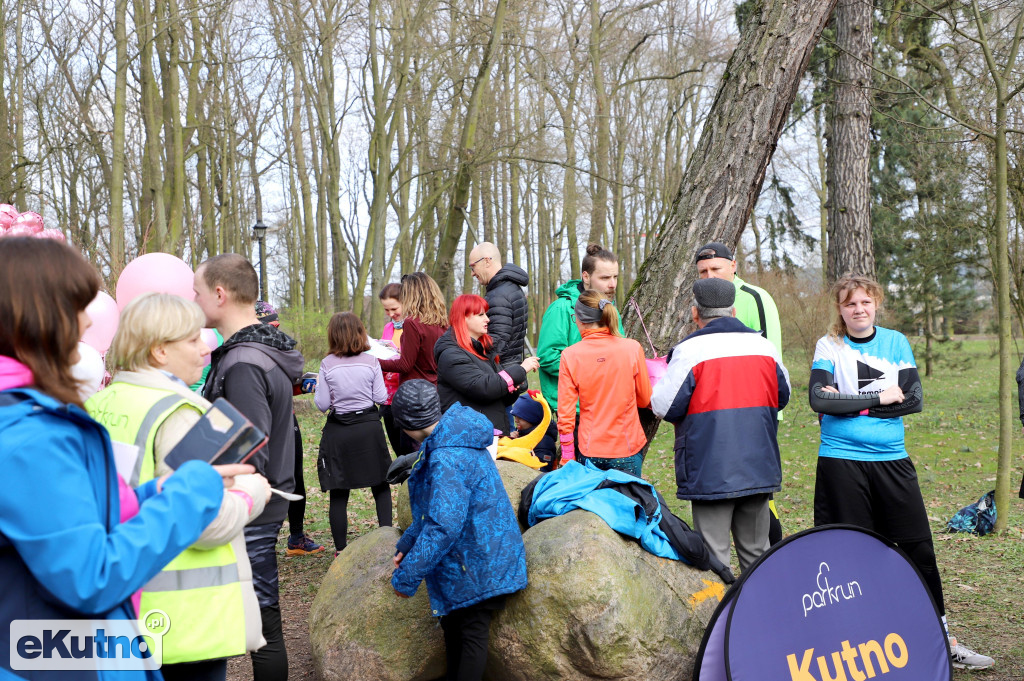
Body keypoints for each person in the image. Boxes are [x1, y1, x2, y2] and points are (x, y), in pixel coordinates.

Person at [0, 237, 240, 681]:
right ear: (36, 315)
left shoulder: (31, 415)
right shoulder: (29, 436)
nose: (88, 319)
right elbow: (90, 577)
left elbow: (65, 522)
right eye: (76, 303)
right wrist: (190, 491)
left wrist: (153, 493)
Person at [808, 274, 993, 671]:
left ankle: (943, 638)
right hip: (841, 462)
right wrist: (875, 397)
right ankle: (855, 646)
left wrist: (844, 402)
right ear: (840, 309)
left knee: (917, 549)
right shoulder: (830, 345)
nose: (858, 310)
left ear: (876, 304)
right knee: (847, 554)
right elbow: (816, 398)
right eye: (850, 304)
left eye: (865, 303)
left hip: (891, 459)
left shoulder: (895, 342)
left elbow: (913, 401)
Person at [88, 292, 271, 681]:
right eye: (191, 339)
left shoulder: (95, 406)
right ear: (158, 351)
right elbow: (206, 521)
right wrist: (252, 493)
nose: (205, 349)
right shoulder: (179, 412)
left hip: (119, 613)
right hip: (185, 623)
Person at [195, 254, 305, 681]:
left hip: (250, 509)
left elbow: (246, 451)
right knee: (261, 624)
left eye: (197, 292)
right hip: (259, 502)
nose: (194, 299)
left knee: (262, 628)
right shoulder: (250, 353)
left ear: (219, 295)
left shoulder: (243, 362)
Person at [389, 380, 527, 681]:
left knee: (470, 634)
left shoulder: (446, 456)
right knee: (453, 626)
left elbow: (444, 525)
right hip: (479, 551)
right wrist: (410, 541)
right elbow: (437, 507)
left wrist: (407, 576)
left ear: (409, 425)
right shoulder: (451, 437)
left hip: (480, 562)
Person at [651, 278, 789, 573]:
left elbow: (663, 406)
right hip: (758, 466)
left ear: (694, 313)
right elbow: (783, 395)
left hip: (709, 469)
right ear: (734, 311)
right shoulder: (764, 347)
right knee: (757, 553)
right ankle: (764, 615)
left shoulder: (689, 351)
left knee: (714, 558)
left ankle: (719, 617)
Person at [695, 241, 786, 545]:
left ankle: (772, 556)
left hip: (756, 413)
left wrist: (771, 412)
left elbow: (771, 358)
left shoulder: (755, 298)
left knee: (760, 498)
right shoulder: (702, 302)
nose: (710, 276)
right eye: (703, 271)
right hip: (717, 413)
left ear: (733, 266)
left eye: (716, 269)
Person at [315, 312, 393, 554]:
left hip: (340, 431)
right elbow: (381, 397)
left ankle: (340, 549)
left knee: (339, 489)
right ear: (361, 333)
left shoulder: (327, 364)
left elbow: (322, 404)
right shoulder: (371, 363)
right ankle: (387, 543)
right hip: (369, 429)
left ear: (333, 335)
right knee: (381, 484)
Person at [253, 301, 324, 557]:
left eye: (276, 325)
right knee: (260, 478)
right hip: (259, 422)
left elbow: (288, 382)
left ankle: (296, 537)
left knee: (295, 477)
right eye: (269, 326)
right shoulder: (244, 352)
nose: (274, 330)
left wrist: (302, 384)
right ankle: (260, 542)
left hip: (286, 419)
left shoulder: (280, 347)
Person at [556, 291, 651, 477]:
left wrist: (567, 455)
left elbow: (565, 414)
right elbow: (645, 399)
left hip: (590, 451)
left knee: (593, 506)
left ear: (580, 320)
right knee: (628, 504)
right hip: (627, 448)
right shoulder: (632, 348)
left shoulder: (570, 355)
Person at [537, 243, 621, 422]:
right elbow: (548, 357)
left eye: (615, 277)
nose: (613, 284)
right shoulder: (561, 308)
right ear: (586, 276)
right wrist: (593, 373)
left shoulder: (611, 310)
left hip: (608, 405)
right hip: (575, 409)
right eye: (605, 278)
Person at [434, 294, 538, 436]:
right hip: (467, 436)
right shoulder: (451, 354)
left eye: (486, 314)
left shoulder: (482, 349)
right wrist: (520, 370)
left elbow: (498, 394)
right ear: (463, 317)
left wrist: (513, 387)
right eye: (481, 315)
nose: (487, 319)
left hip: (486, 433)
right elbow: (483, 387)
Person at [468, 241, 529, 368]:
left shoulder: (498, 295)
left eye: (473, 267)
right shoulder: (512, 288)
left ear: (487, 261)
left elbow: (496, 343)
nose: (472, 273)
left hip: (502, 375)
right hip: (512, 369)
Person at [378, 282, 411, 455]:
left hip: (408, 396)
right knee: (398, 451)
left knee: (411, 450)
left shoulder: (414, 326)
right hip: (388, 398)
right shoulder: (388, 328)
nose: (391, 314)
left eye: (394, 309)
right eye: (386, 310)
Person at [508, 392, 558, 471]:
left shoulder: (544, 441)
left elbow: (544, 468)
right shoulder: (523, 431)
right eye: (515, 416)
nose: (516, 420)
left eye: (520, 418)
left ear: (533, 418)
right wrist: (511, 440)